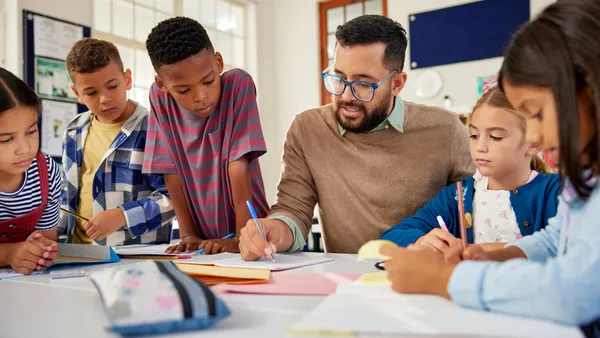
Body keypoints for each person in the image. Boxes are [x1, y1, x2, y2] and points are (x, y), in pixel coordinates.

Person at [382, 1, 600, 335]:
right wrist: (495, 255)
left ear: (590, 89)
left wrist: (445, 279)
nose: (537, 137)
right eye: (474, 135)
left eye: (537, 114)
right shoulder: (582, 177)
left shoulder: (557, 185)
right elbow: (558, 239)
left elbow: (573, 292)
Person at [239, 15, 474, 260]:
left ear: (396, 84)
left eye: (364, 83)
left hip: (425, 276)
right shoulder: (308, 129)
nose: (346, 96)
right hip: (347, 283)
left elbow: (476, 210)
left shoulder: (445, 130)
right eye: (338, 78)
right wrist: (273, 230)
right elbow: (293, 209)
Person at [381, 85, 560, 258]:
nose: (480, 147)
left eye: (496, 137)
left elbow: (566, 248)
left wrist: (482, 250)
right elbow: (391, 236)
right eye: (474, 135)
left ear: (534, 143)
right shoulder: (459, 196)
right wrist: (421, 240)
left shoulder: (557, 192)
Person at [143, 17, 269, 254]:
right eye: (183, 90)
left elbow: (238, 165)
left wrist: (243, 236)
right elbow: (171, 170)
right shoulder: (160, 99)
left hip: (254, 231)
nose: (201, 96)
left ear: (218, 62)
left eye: (208, 81)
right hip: (204, 243)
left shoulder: (237, 85)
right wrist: (188, 233)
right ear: (162, 84)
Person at [60, 38, 174, 246]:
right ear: (77, 93)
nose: (104, 99)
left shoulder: (154, 130)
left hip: (134, 259)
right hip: (77, 253)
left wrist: (122, 216)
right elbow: (67, 197)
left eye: (112, 86)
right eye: (91, 93)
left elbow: (174, 199)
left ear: (127, 79)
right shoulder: (73, 131)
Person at [0, 67, 60, 274]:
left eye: (32, 131)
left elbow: (47, 238)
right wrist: (9, 254)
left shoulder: (47, 172)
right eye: (6, 139)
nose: (25, 149)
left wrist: (41, 250)